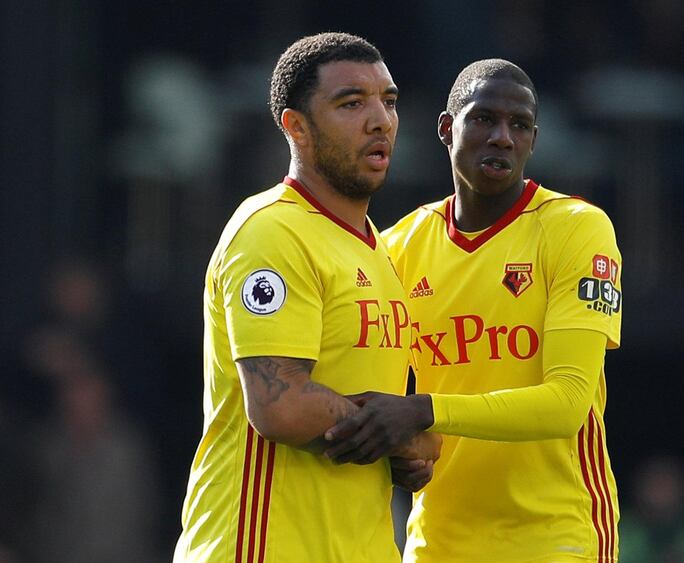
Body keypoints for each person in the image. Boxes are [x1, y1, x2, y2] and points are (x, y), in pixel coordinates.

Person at [325, 59, 623, 562]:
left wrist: (422, 411)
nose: (503, 137)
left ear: (533, 140)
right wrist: (401, 450)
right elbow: (378, 390)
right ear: (447, 128)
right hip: (437, 542)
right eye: (484, 118)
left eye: (519, 125)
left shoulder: (577, 228)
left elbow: (568, 403)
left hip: (557, 538)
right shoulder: (396, 247)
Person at [173, 32, 440, 563]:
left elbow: (381, 414)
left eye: (388, 102)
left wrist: (413, 448)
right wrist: (395, 431)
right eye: (351, 103)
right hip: (261, 548)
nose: (380, 120)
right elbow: (280, 405)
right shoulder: (273, 231)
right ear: (296, 126)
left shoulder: (379, 252)